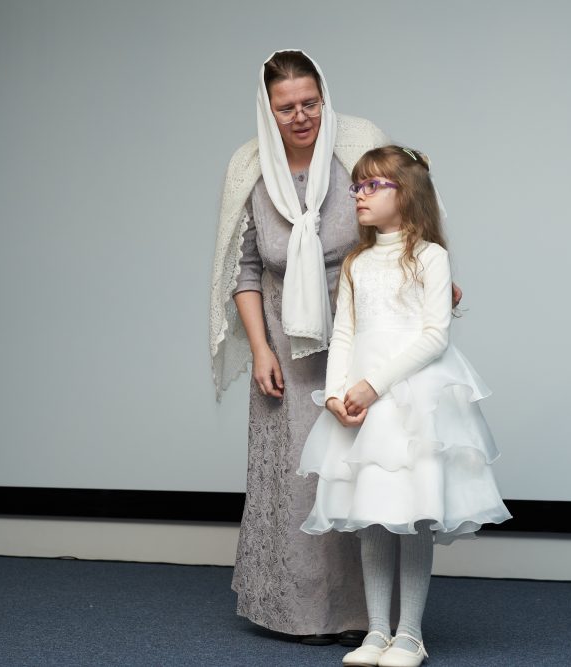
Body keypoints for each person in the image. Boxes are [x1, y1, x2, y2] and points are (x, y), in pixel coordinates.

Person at [297, 146, 512, 667]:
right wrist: (335, 392)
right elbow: (344, 333)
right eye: (358, 186)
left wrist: (374, 384)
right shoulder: (357, 262)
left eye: (373, 186)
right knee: (373, 513)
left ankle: (410, 634)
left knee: (413, 513)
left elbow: (435, 335)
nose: (360, 195)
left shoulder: (430, 257)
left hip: (412, 400)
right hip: (363, 405)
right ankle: (376, 632)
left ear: (407, 192)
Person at [209, 50, 392, 644]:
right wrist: (261, 348)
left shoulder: (357, 146)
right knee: (297, 481)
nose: (301, 117)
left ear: (324, 97)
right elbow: (245, 269)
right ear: (267, 110)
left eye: (310, 103)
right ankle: (301, 615)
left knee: (358, 468)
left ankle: (366, 616)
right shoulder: (250, 167)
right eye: (286, 107)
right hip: (286, 343)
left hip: (363, 332)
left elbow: (401, 223)